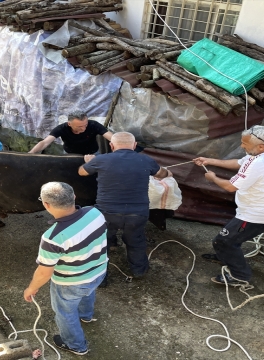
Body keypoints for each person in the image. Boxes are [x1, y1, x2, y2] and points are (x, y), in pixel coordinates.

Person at [193, 125, 264, 286]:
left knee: (223, 241)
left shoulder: (260, 162)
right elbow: (239, 163)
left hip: (257, 214)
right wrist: (210, 161)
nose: (242, 146)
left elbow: (230, 187)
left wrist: (213, 178)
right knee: (229, 239)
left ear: (261, 146)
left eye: (245, 144)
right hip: (259, 209)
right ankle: (225, 256)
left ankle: (239, 276)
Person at [23, 182, 108, 356]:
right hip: (99, 271)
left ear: (46, 205)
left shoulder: (52, 237)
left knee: (65, 312)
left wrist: (32, 288)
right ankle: (86, 315)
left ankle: (76, 345)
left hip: (71, 283)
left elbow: (44, 272)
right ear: (74, 197)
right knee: (88, 292)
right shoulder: (95, 212)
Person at [78, 132, 170, 279]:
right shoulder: (145, 160)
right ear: (134, 146)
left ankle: (100, 278)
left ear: (112, 145)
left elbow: (82, 172)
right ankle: (139, 271)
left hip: (107, 213)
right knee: (136, 240)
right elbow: (162, 174)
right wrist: (165, 170)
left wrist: (89, 161)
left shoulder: (101, 159)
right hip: (137, 213)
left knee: (102, 243)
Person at [29, 112, 113, 155]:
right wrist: (31, 154)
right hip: (70, 154)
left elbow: (112, 138)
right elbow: (44, 142)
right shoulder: (62, 128)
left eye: (85, 125)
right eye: (79, 126)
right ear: (69, 124)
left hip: (92, 153)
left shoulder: (93, 125)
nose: (83, 128)